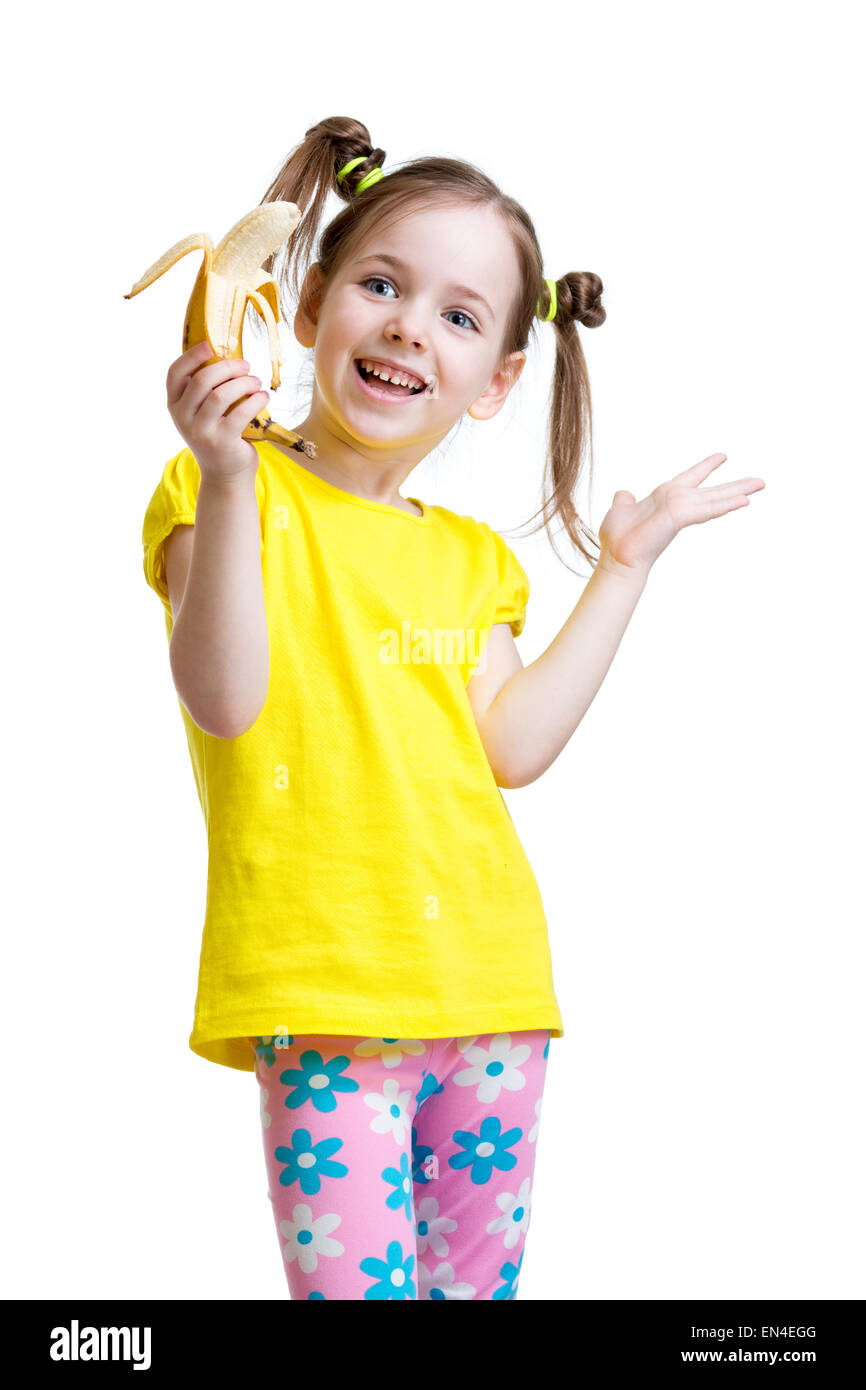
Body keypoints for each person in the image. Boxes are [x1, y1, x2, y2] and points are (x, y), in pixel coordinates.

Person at [141, 116, 765, 1300]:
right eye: (379, 283)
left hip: (490, 989)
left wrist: (621, 568)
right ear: (310, 299)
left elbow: (512, 747)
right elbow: (223, 699)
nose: (406, 326)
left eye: (457, 315)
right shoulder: (219, 486)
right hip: (324, 994)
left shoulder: (473, 561)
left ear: (496, 381)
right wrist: (226, 479)